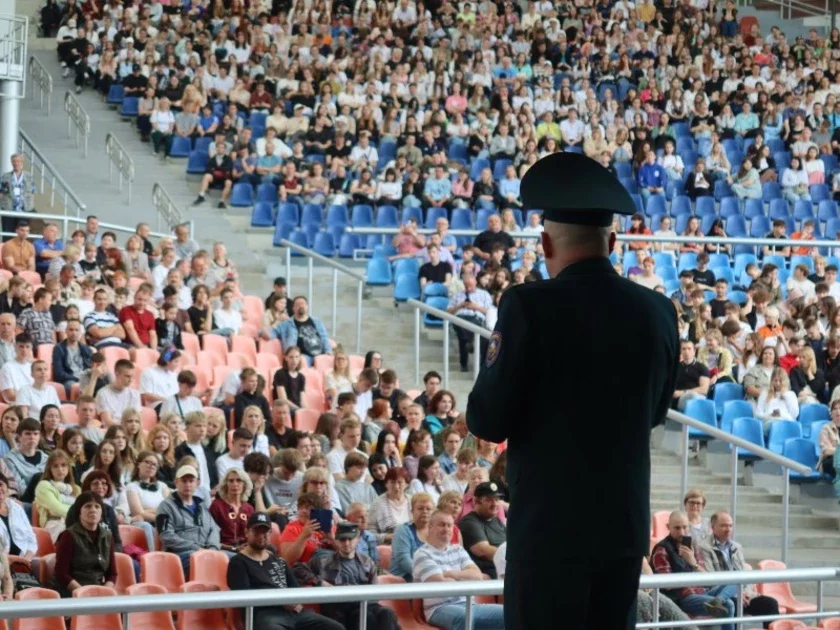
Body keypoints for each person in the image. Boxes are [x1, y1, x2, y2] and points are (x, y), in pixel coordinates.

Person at [467, 152, 678, 629]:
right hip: (622, 529)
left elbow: (487, 419)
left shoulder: (527, 306)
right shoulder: (658, 311)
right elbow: (655, 412)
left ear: (545, 242)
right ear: (613, 241)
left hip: (550, 530)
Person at [227, 512, 344, 630]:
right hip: (265, 615)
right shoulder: (238, 562)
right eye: (257, 531)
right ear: (247, 532)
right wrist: (280, 600)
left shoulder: (277, 559)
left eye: (265, 532)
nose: (262, 536)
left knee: (336, 628)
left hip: (295, 613)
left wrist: (294, 601)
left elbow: (295, 588)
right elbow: (244, 597)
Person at [412, 510, 505, 630]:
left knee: (507, 613)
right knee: (465, 618)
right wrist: (464, 577)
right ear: (430, 527)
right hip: (439, 609)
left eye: (449, 525)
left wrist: (449, 573)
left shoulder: (458, 550)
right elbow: (441, 584)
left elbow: (477, 576)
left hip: (469, 604)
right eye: (442, 524)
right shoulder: (422, 554)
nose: (446, 529)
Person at [651, 511, 737, 628]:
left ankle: (718, 600)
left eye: (685, 527)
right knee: (729, 604)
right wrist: (689, 578)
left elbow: (706, 578)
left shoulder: (692, 546)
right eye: (677, 528)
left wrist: (693, 563)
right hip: (682, 597)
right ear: (668, 527)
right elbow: (666, 584)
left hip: (700, 591)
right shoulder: (662, 549)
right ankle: (719, 601)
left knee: (735, 580)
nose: (682, 532)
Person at [310, 521, 400, 630]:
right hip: (343, 612)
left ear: (357, 540)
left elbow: (374, 594)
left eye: (350, 539)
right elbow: (298, 568)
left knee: (387, 613)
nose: (346, 543)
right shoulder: (324, 562)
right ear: (337, 541)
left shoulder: (367, 562)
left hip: (365, 605)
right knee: (367, 617)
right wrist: (319, 582)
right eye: (342, 539)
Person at [697, 511, 781, 626]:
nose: (728, 529)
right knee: (734, 605)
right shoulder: (704, 547)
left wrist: (745, 593)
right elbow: (712, 579)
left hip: (743, 593)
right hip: (722, 595)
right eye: (724, 525)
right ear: (713, 527)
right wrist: (737, 594)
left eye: (730, 526)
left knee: (770, 604)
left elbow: (744, 575)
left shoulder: (737, 547)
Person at [155, 464, 221, 575]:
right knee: (201, 561)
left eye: (191, 481)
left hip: (207, 551)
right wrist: (196, 548)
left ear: (197, 483)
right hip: (180, 554)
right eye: (184, 481)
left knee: (235, 560)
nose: (188, 485)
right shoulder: (166, 506)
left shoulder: (201, 505)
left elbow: (213, 529)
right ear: (176, 482)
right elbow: (166, 536)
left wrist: (213, 548)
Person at [52, 492, 116, 598]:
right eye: (88, 506)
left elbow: (112, 574)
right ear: (79, 512)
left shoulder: (108, 536)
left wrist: (105, 591)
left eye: (97, 506)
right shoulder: (68, 535)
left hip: (97, 591)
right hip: (72, 591)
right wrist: (83, 593)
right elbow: (61, 573)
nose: (93, 510)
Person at [458, 482, 507, 579]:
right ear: (476, 501)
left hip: (505, 569)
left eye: (497, 499)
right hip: (489, 574)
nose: (494, 504)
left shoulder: (497, 521)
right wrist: (512, 557)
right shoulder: (469, 522)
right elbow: (482, 550)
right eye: (489, 500)